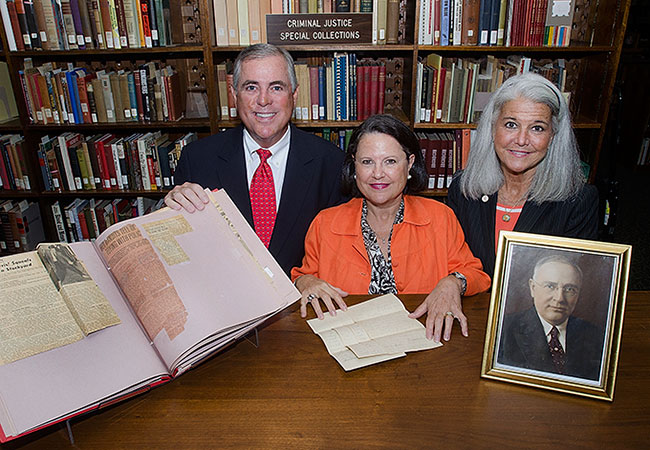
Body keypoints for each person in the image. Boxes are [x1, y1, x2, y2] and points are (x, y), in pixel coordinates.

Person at [291, 115, 491, 342]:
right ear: (354, 165)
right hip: (347, 347)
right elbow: (303, 275)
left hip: (425, 345)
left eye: (390, 161)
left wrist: (453, 282)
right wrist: (304, 282)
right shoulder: (325, 223)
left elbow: (477, 275)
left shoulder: (439, 217)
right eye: (367, 162)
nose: (378, 173)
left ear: (410, 164)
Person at [164, 44, 345, 274]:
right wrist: (169, 213)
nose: (263, 100)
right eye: (251, 87)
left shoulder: (330, 163)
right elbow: (181, 251)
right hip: (226, 302)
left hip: (302, 303)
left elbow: (339, 253)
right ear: (234, 95)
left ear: (295, 95)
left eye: (276, 87)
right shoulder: (197, 159)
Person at [447, 72, 599, 278]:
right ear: (493, 128)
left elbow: (574, 280)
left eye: (537, 128)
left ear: (552, 136)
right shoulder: (462, 188)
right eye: (511, 124)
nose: (521, 140)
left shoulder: (578, 201)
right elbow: (452, 262)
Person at [498, 255, 604, 380]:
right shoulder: (504, 329)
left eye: (569, 289)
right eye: (550, 286)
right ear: (533, 288)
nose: (559, 298)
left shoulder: (597, 336)